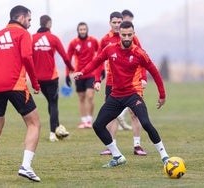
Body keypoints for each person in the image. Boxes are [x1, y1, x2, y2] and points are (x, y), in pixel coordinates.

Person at [73, 21, 169, 167]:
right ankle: (117, 156)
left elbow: (155, 72)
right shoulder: (110, 49)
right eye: (124, 35)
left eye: (129, 35)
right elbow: (96, 61)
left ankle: (165, 156)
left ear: (133, 34)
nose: (126, 37)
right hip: (116, 96)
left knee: (145, 123)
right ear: (119, 35)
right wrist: (83, 72)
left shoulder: (139, 53)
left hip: (133, 95)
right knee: (98, 125)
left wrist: (162, 95)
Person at [0, 5, 41, 182]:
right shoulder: (23, 34)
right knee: (34, 124)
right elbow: (27, 57)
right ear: (21, 18)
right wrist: (35, 83)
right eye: (29, 20)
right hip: (15, 85)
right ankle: (26, 166)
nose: (30, 24)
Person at [98, 11, 147, 156]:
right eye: (114, 22)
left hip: (132, 83)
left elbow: (143, 58)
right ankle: (111, 146)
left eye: (119, 22)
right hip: (111, 83)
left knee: (135, 114)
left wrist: (143, 77)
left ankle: (137, 145)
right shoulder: (105, 40)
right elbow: (99, 60)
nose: (117, 25)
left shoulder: (132, 38)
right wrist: (96, 80)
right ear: (110, 23)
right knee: (110, 116)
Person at [32, 15, 74, 142]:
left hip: (38, 79)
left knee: (50, 102)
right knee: (53, 103)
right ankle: (53, 133)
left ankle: (57, 128)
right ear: (49, 23)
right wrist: (71, 68)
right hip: (51, 77)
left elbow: (26, 57)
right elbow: (65, 57)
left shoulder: (32, 39)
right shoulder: (53, 38)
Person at [66, 22, 99, 129]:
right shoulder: (73, 43)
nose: (82, 31)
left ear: (87, 30)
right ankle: (84, 121)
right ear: (78, 30)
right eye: (81, 29)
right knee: (81, 98)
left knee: (90, 96)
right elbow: (68, 59)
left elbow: (100, 55)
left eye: (84, 29)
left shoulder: (93, 41)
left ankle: (89, 120)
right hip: (78, 74)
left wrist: (101, 69)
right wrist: (67, 74)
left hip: (91, 73)